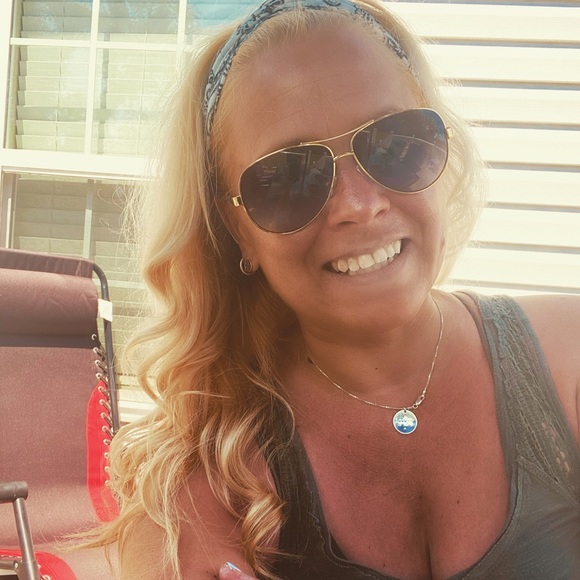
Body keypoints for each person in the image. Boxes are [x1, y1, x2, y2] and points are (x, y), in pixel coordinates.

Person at [92, 0, 580, 578]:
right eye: (290, 177)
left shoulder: (568, 357)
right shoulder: (201, 488)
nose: (359, 204)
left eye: (394, 143)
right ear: (237, 228)